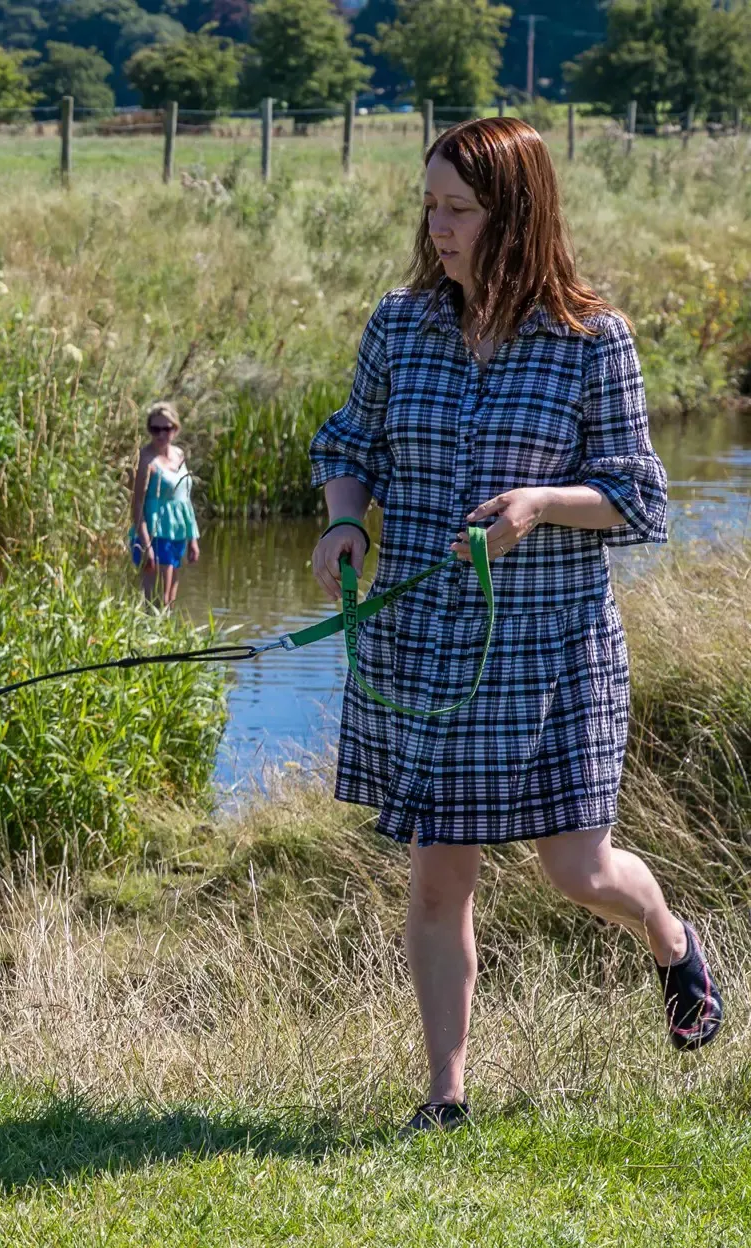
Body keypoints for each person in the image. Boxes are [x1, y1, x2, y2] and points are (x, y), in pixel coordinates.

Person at [309, 117, 721, 1136]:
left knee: (575, 870)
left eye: (458, 209)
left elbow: (640, 499)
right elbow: (348, 440)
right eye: (430, 206)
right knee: (439, 873)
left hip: (551, 649)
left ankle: (670, 940)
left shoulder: (594, 340)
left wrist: (540, 505)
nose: (436, 227)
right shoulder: (399, 324)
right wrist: (346, 520)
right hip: (426, 645)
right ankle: (445, 1099)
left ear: (516, 215)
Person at [129, 401, 200, 606]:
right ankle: (148, 634)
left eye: (166, 429)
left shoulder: (179, 455)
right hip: (155, 533)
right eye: (155, 429)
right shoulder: (146, 460)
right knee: (156, 599)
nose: (160, 435)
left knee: (170, 598)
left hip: (177, 531)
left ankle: (166, 634)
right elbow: (138, 505)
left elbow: (184, 497)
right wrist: (146, 545)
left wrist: (192, 538)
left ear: (175, 430)